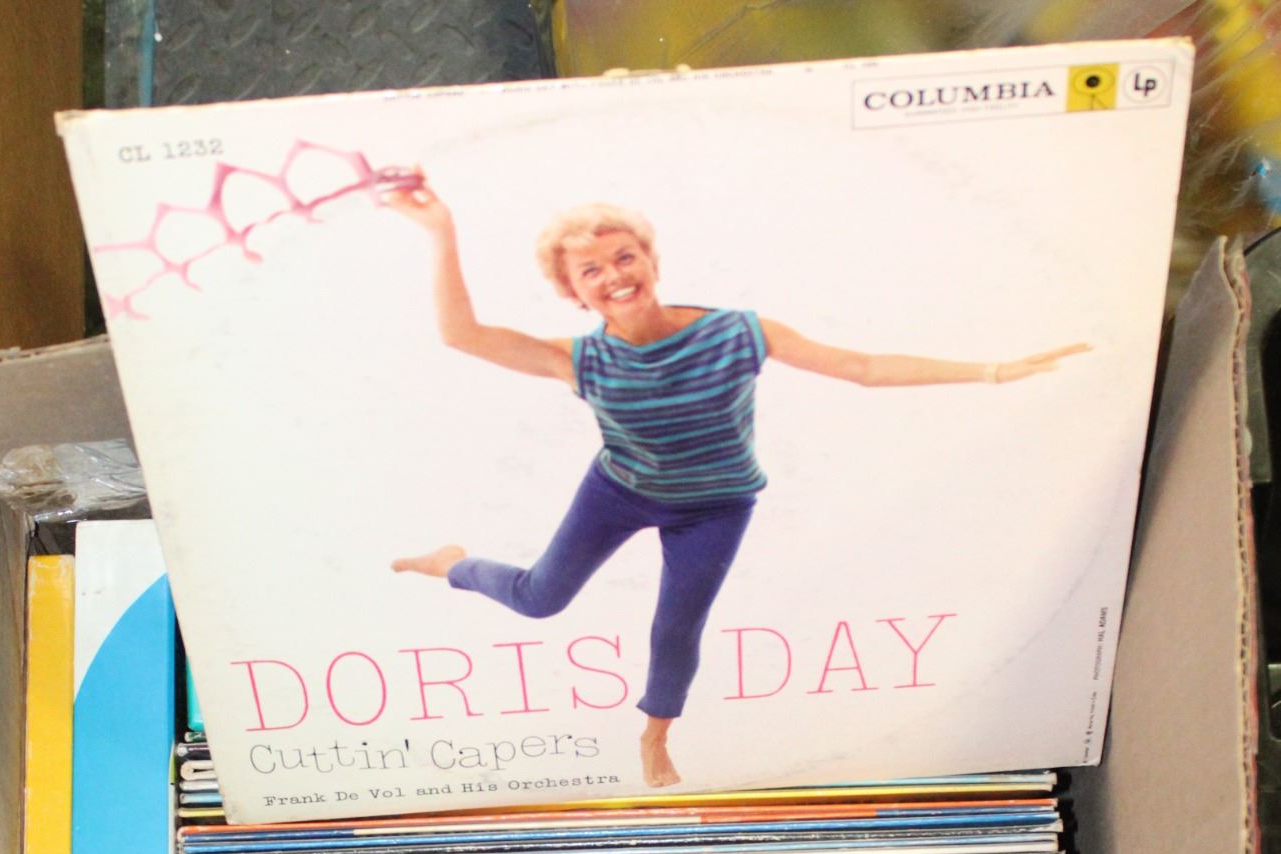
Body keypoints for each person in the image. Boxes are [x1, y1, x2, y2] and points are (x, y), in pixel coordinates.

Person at [386, 181, 1087, 788]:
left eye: (625, 257)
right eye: (591, 270)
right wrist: (440, 230)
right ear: (572, 292)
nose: (614, 276)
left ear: (651, 261)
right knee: (540, 600)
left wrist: (994, 371)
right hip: (619, 490)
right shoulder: (576, 359)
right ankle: (453, 564)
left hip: (715, 505)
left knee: (676, 627)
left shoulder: (739, 333)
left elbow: (864, 368)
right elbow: (461, 334)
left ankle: (655, 734)